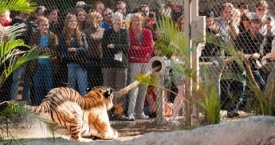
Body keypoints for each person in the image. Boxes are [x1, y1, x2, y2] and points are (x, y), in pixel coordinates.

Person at [230, 18, 267, 117]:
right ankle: (233, 109)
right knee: (241, 86)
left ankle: (261, 108)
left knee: (262, 85)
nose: (254, 30)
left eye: (257, 28)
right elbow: (237, 51)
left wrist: (253, 55)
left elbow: (260, 53)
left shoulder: (261, 37)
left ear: (260, 28)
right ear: (250, 26)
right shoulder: (241, 36)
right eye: (253, 27)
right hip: (240, 65)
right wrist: (246, 55)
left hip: (253, 65)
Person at [101, 12, 130, 120]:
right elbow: (105, 47)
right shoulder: (107, 32)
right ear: (112, 21)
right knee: (108, 89)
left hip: (121, 65)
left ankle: (119, 112)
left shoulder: (124, 32)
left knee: (120, 89)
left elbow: (126, 46)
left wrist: (114, 46)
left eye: (119, 19)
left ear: (122, 21)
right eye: (115, 19)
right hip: (108, 64)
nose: (117, 22)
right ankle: (107, 113)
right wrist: (119, 48)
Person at [127, 12, 154, 120]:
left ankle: (139, 112)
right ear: (131, 22)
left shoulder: (147, 32)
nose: (136, 22)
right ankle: (131, 112)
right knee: (134, 88)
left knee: (143, 88)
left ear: (142, 21)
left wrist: (138, 49)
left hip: (145, 63)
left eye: (138, 20)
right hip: (134, 62)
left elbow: (150, 48)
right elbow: (129, 49)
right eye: (134, 20)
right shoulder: (128, 33)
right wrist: (142, 49)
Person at [28, 16, 59, 105]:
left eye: (46, 25)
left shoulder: (53, 36)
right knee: (38, 87)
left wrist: (39, 49)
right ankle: (38, 106)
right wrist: (45, 49)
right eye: (43, 25)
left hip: (49, 64)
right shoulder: (34, 35)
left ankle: (48, 106)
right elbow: (31, 48)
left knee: (48, 87)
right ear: (38, 26)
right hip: (36, 64)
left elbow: (54, 51)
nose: (45, 27)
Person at [59, 13, 88, 96]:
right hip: (70, 64)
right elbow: (63, 51)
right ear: (67, 23)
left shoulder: (82, 35)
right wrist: (77, 51)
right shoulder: (63, 36)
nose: (73, 23)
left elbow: (86, 49)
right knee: (70, 88)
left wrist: (75, 49)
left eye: (75, 21)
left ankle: (84, 106)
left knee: (83, 88)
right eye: (71, 21)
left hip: (81, 64)